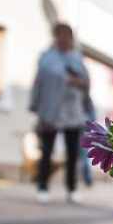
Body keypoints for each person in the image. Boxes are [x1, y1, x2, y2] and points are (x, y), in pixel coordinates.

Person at [30, 23, 92, 204]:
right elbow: (38, 83)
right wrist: (36, 106)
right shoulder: (46, 58)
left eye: (68, 35)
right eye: (60, 35)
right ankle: (42, 187)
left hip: (73, 110)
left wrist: (77, 81)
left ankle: (71, 189)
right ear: (55, 37)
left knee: (73, 153)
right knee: (46, 150)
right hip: (50, 109)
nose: (64, 39)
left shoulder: (77, 58)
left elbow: (87, 83)